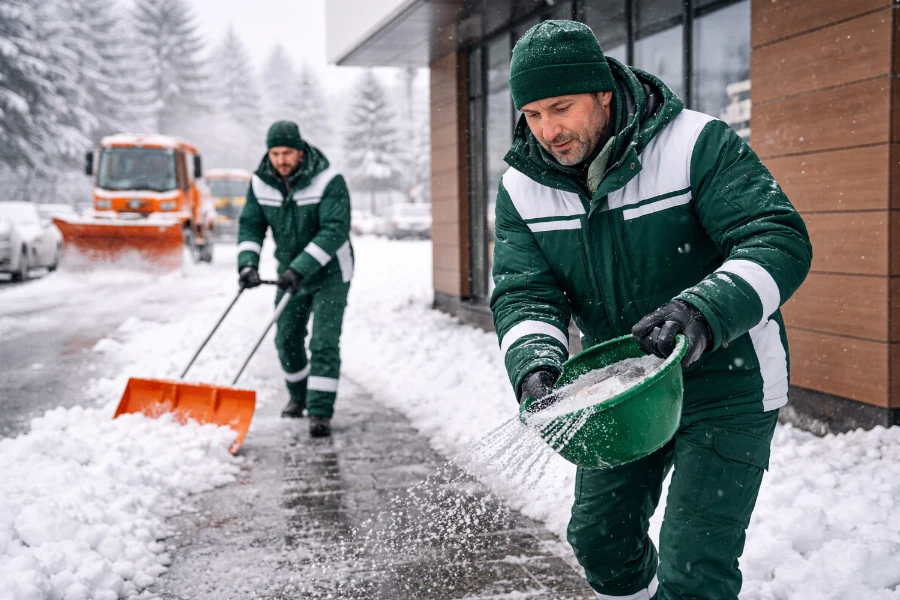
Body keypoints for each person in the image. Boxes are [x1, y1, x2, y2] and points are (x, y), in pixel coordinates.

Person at [490, 21, 812, 600]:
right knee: (601, 542)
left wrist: (702, 311)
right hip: (621, 388)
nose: (548, 130)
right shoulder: (521, 188)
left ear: (603, 93)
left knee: (693, 569)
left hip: (726, 379)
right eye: (533, 114)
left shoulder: (695, 144)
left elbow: (777, 238)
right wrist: (535, 360)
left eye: (561, 108)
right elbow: (524, 292)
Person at [237, 121, 353, 438]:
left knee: (323, 342)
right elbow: (251, 225)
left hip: (331, 272)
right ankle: (299, 396)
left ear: (300, 151)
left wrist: (300, 268)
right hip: (291, 273)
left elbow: (334, 231)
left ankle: (320, 411)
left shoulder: (329, 180)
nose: (281, 160)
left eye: (287, 152)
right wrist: (247, 264)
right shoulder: (260, 183)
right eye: (275, 153)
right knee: (286, 339)